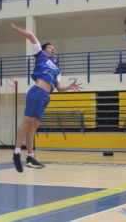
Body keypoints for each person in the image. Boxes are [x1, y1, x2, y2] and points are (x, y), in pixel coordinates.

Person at [10, 23, 83, 173]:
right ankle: (16, 153)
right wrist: (19, 30)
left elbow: (59, 88)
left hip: (46, 96)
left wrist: (68, 87)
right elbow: (31, 36)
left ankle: (30, 157)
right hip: (37, 92)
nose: (53, 49)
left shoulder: (57, 68)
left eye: (53, 48)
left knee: (34, 127)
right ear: (44, 50)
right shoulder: (40, 55)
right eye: (50, 47)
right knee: (26, 124)